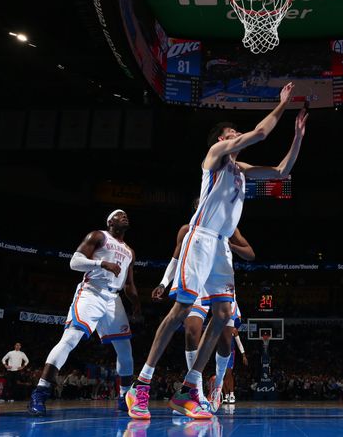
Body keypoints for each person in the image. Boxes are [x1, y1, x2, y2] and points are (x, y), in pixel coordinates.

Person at [127, 84, 307, 420]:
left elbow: (282, 171)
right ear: (220, 141)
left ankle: (189, 387)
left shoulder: (241, 171)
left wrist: (297, 136)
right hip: (201, 238)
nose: (236, 135)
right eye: (230, 133)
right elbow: (260, 133)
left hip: (221, 247)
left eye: (235, 132)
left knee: (224, 315)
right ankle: (142, 384)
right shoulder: (213, 159)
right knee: (182, 310)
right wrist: (281, 105)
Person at [28, 209, 141, 415]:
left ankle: (124, 397)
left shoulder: (130, 252)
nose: (124, 215)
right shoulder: (98, 236)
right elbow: (74, 262)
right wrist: (101, 263)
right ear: (110, 221)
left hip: (114, 299)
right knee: (70, 338)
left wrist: (136, 304)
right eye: (119, 214)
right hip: (92, 292)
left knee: (125, 350)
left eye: (126, 214)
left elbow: (129, 284)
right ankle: (40, 392)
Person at [152, 218, 255, 412]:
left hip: (220, 284)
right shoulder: (186, 230)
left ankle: (217, 387)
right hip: (197, 283)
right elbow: (175, 261)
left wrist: (232, 246)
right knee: (191, 331)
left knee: (225, 340)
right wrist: (163, 283)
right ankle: (196, 389)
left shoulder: (228, 228)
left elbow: (250, 253)